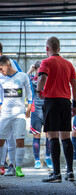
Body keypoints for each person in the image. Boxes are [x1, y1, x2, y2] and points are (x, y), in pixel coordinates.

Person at [38, 36, 76, 182]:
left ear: (47, 49)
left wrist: (38, 91)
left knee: (53, 136)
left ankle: (56, 174)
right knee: (66, 137)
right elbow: (74, 85)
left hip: (52, 102)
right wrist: (75, 104)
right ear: (59, 49)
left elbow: (42, 78)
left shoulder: (46, 62)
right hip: (65, 102)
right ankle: (70, 172)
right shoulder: (68, 64)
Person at [0, 55, 33, 177]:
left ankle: (17, 167)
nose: (0, 71)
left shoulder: (23, 76)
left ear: (8, 65)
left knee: (19, 140)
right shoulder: (1, 78)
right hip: (5, 114)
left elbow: (30, 92)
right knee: (1, 139)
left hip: (19, 113)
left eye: (1, 68)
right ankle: (1, 166)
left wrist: (29, 106)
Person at [0, 42, 22, 175]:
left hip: (9, 107)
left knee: (10, 136)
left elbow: (21, 83)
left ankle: (10, 165)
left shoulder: (12, 63)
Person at [27, 61, 53, 169]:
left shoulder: (48, 79)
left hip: (47, 110)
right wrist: (30, 69)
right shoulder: (32, 79)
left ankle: (48, 157)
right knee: (36, 136)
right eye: (39, 69)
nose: (41, 71)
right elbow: (22, 79)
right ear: (36, 69)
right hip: (35, 111)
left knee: (49, 135)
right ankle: (37, 160)